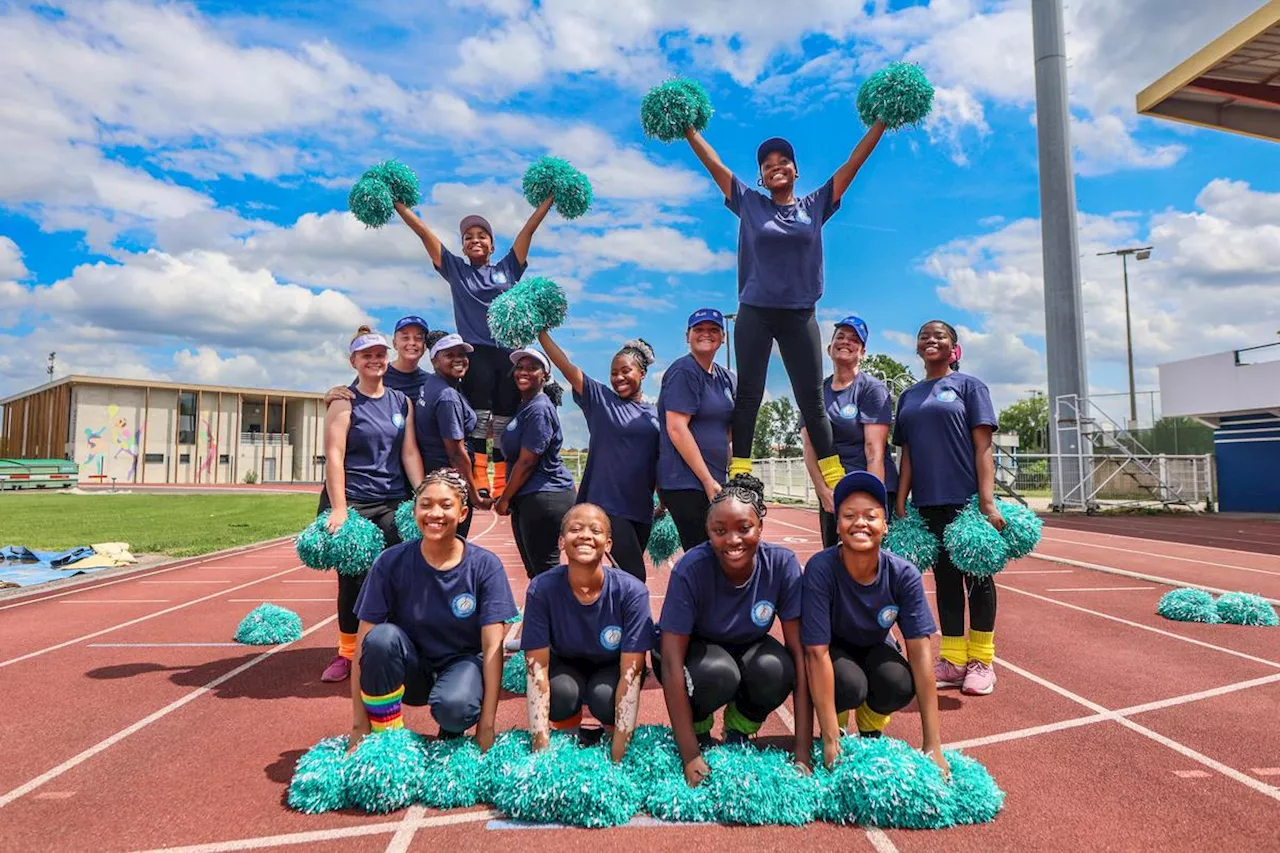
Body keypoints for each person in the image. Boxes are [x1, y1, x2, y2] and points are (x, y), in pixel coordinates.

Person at [680, 123, 887, 499]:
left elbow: (854, 163)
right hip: (755, 312)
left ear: (796, 170)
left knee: (811, 398)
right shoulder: (749, 203)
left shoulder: (816, 204)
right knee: (749, 395)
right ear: (760, 177)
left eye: (784, 161)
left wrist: (882, 121)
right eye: (767, 164)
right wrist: (689, 129)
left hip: (799, 315)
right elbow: (714, 165)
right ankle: (739, 470)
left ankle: (834, 474)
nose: (775, 166)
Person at [654, 474, 812, 787]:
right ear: (708, 532)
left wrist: (802, 752)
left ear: (760, 528)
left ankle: (738, 731)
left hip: (746, 646)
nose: (733, 540)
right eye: (720, 531)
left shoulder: (782, 565)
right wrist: (689, 756)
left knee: (778, 668)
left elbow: (802, 653)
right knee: (719, 673)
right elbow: (671, 660)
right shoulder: (691, 569)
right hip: (694, 657)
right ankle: (699, 734)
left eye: (744, 528)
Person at [394, 196, 555, 500]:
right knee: (480, 417)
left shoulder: (508, 268)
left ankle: (502, 479)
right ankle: (479, 476)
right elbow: (424, 234)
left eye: (482, 236)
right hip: (476, 352)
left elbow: (528, 231)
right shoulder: (457, 270)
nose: (475, 240)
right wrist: (398, 206)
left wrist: (548, 200)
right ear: (463, 246)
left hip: (508, 352)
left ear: (492, 245)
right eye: (468, 237)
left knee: (506, 418)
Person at [349, 469, 516, 750]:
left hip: (462, 666)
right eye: (425, 504)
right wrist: (358, 724)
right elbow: (362, 645)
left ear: (462, 514)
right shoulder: (390, 562)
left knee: (455, 707)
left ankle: (452, 730)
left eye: (445, 505)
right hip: (411, 669)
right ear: (414, 510)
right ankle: (387, 739)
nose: (434, 513)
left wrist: (487, 727)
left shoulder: (485, 566)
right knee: (380, 639)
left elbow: (492, 650)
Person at [803, 471, 948, 774]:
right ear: (838, 524)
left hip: (875, 644)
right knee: (848, 684)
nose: (860, 523)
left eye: (870, 515)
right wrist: (829, 740)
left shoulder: (903, 574)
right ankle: (837, 726)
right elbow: (816, 652)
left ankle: (870, 727)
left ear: (884, 524)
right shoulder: (820, 568)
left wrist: (933, 745)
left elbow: (921, 653)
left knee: (898, 682)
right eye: (849, 515)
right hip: (834, 649)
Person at [894, 320, 1005, 696]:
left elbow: (983, 447)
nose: (931, 340)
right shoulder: (908, 396)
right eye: (924, 335)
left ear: (954, 347)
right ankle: (954, 660)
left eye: (939, 335)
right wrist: (900, 499)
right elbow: (906, 452)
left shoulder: (969, 387)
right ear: (917, 347)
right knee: (944, 582)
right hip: (927, 502)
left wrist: (986, 501)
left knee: (977, 578)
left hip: (967, 502)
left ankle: (982, 662)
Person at [318, 326, 426, 683]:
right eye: (367, 356)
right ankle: (347, 653)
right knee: (353, 580)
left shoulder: (401, 402)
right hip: (354, 502)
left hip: (392, 500)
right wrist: (339, 508)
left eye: (380, 354)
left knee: (400, 574)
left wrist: (421, 494)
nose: (375, 360)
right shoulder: (343, 400)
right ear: (354, 361)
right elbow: (334, 455)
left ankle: (391, 646)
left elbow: (409, 451)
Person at [522, 504, 651, 760]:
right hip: (566, 666)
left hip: (611, 667)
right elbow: (536, 667)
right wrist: (540, 747)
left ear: (609, 544)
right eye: (575, 529)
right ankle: (567, 741)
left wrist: (619, 755)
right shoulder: (541, 589)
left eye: (596, 530)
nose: (585, 535)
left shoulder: (632, 592)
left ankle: (611, 739)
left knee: (605, 697)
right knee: (561, 693)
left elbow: (632, 672)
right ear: (561, 541)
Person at [538, 329, 660, 581]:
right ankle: (634, 621)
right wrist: (541, 333)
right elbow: (566, 366)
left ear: (642, 373)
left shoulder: (657, 414)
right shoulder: (601, 400)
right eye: (614, 373)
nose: (618, 377)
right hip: (607, 505)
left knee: (623, 577)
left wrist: (664, 501)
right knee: (634, 575)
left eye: (626, 371)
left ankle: (608, 617)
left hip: (642, 507)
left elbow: (658, 459)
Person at [801, 315, 898, 547]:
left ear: (862, 352)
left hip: (867, 487)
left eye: (854, 339)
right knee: (835, 561)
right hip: (833, 492)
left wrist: (876, 503)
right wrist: (823, 491)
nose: (846, 342)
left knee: (871, 564)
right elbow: (809, 447)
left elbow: (874, 450)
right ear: (829, 348)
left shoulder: (871, 389)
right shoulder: (815, 393)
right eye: (841, 337)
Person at [657, 308, 737, 552]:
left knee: (720, 555)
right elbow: (677, 428)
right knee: (702, 556)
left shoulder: (727, 378)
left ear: (723, 337)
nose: (706, 334)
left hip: (715, 481)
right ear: (687, 336)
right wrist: (707, 480)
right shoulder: (684, 371)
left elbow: (728, 431)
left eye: (713, 330)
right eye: (699, 330)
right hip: (687, 483)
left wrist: (730, 473)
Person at [493, 348, 576, 578]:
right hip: (531, 496)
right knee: (537, 571)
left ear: (545, 375)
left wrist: (505, 498)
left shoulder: (538, 408)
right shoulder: (525, 406)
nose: (523, 372)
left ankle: (555, 614)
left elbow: (528, 461)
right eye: (520, 367)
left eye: (532, 368)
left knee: (546, 571)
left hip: (545, 496)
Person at [416, 332, 493, 538]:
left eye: (462, 354)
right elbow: (456, 453)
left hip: (434, 477)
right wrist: (474, 495)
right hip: (448, 483)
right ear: (434, 360)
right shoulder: (447, 396)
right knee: (451, 546)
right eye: (450, 355)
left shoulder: (433, 384)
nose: (459, 359)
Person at [323, 315, 432, 403]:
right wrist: (331, 397)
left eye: (418, 338)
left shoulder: (429, 382)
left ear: (425, 345)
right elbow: (351, 399)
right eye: (405, 338)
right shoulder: (377, 372)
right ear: (394, 343)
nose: (412, 343)